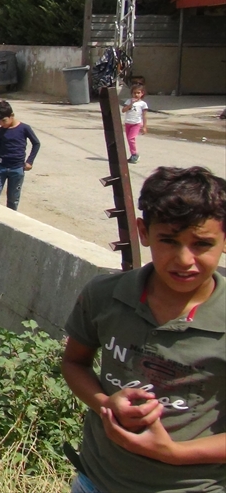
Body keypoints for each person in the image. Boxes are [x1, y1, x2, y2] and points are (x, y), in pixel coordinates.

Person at [62, 166, 226, 493]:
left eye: (202, 244)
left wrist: (172, 453)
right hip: (97, 481)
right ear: (143, 232)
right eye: (168, 240)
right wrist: (105, 403)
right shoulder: (104, 295)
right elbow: (74, 362)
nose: (184, 259)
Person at [0, 100, 41, 211]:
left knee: (13, 198)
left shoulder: (24, 129)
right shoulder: (0, 131)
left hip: (17, 168)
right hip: (0, 168)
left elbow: (36, 144)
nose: (1, 124)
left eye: (4, 120)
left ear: (12, 116)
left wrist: (30, 161)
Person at [122, 84, 149, 165]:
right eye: (134, 93)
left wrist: (144, 126)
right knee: (129, 140)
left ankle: (134, 155)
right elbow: (123, 110)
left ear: (142, 93)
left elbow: (144, 116)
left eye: (138, 93)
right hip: (128, 123)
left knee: (131, 138)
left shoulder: (143, 104)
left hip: (136, 124)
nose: (136, 95)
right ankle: (132, 155)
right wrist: (130, 104)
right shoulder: (128, 101)